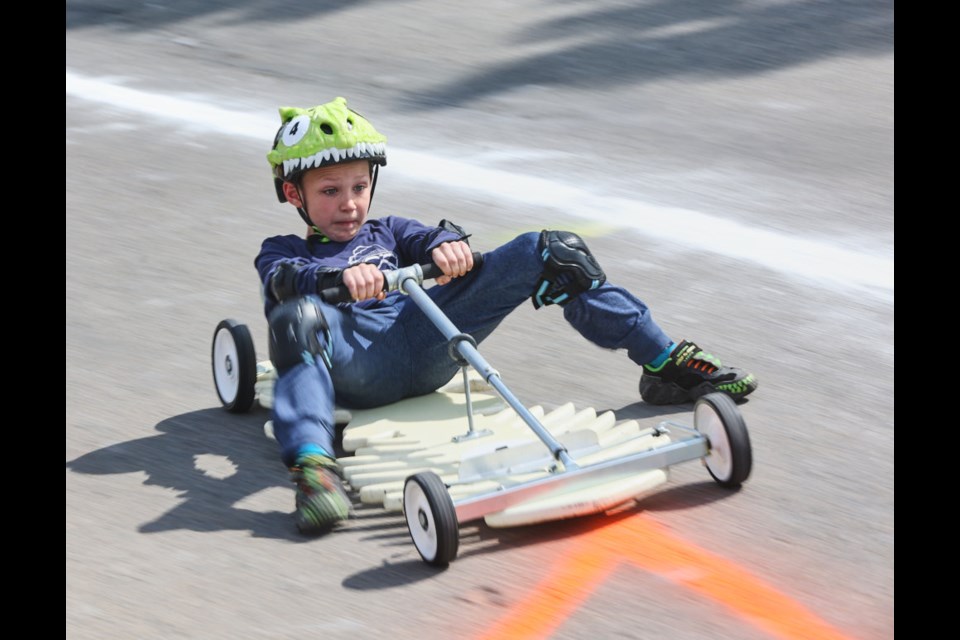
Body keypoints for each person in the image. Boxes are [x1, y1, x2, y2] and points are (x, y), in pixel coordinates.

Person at [255, 97, 758, 534]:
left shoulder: (387, 231)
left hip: (426, 344)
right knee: (294, 317)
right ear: (295, 194)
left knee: (551, 250)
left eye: (359, 187)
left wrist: (448, 247)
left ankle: (661, 361)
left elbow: (431, 237)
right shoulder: (282, 250)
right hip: (357, 366)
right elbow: (284, 282)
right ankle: (313, 469)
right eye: (329, 191)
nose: (349, 204)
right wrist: (337, 283)